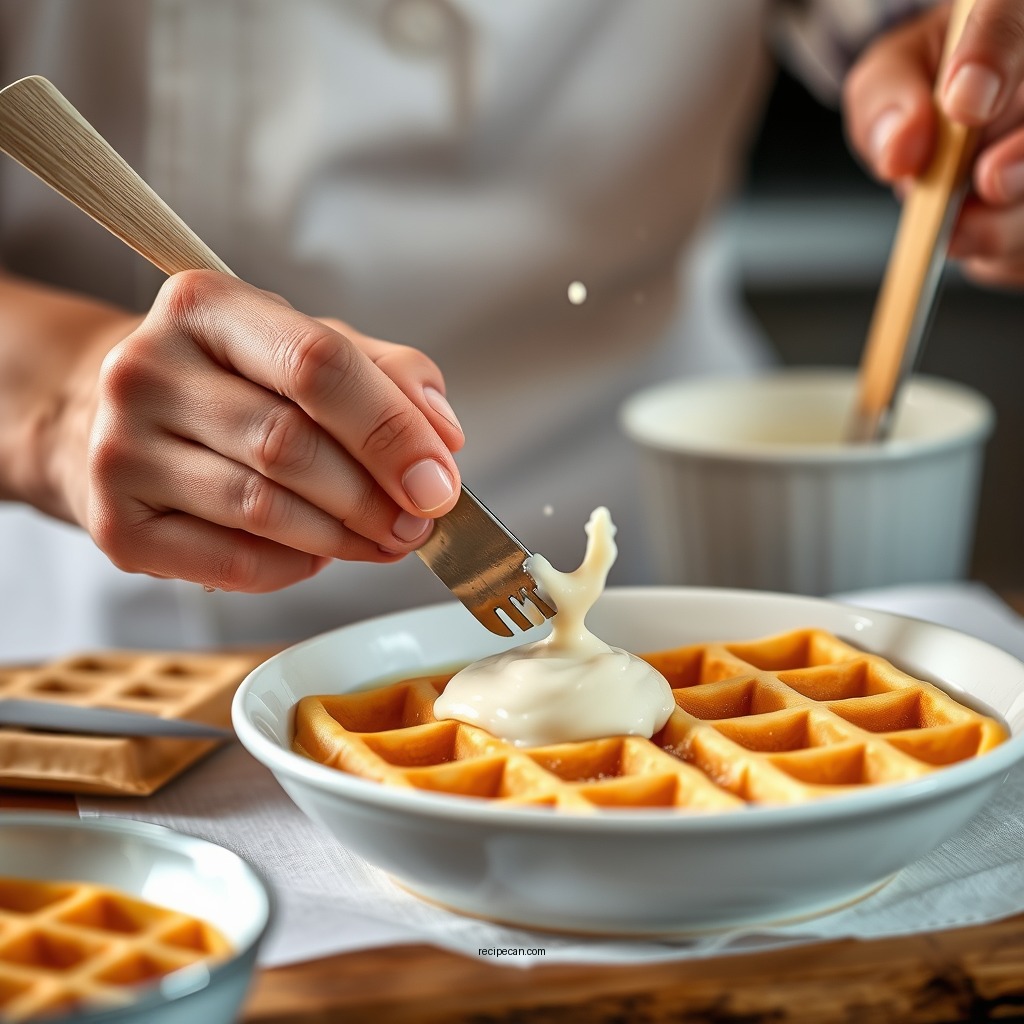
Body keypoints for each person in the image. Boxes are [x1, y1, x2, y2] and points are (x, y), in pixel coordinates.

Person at [0, 0, 1022, 659]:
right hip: (113, 642)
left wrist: (968, 86)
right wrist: (61, 399)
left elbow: (914, 33)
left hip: (670, 564)